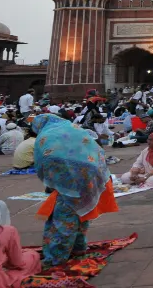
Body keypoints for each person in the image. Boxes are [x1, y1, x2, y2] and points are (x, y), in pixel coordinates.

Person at [31, 114, 117, 266]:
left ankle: (56, 257)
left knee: (63, 219)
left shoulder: (45, 135)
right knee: (80, 212)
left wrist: (53, 182)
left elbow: (43, 161)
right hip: (91, 174)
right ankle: (78, 247)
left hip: (70, 180)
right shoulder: (72, 128)